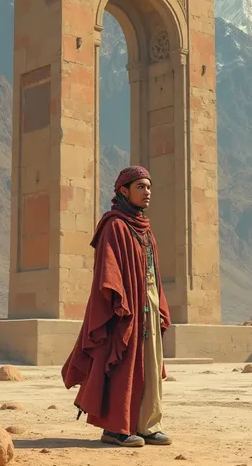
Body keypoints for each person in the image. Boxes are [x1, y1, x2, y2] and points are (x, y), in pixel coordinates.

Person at [61, 165, 172, 448]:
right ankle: (115, 428)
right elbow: (107, 271)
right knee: (123, 364)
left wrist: (158, 305)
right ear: (124, 191)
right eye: (141, 187)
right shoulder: (115, 225)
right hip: (125, 308)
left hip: (148, 302)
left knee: (150, 363)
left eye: (149, 187)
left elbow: (153, 271)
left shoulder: (145, 228)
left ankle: (147, 425)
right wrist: (121, 304)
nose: (147, 192)